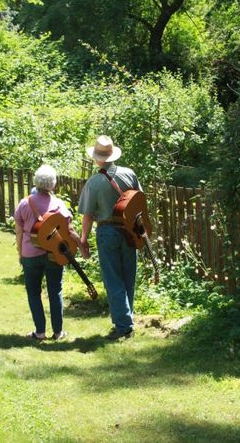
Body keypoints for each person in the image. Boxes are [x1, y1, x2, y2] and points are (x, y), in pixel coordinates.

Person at [78, 135, 142, 340]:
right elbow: (140, 202)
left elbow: (88, 215)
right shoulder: (129, 174)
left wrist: (83, 238)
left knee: (113, 278)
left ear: (98, 158)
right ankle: (126, 320)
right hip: (130, 230)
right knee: (128, 276)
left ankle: (123, 326)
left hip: (107, 232)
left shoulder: (94, 183)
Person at [14, 164, 87, 341]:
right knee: (55, 291)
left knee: (33, 292)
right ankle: (58, 332)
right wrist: (81, 245)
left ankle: (39, 332)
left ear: (35, 182)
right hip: (54, 254)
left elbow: (18, 231)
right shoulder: (59, 204)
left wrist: (20, 251)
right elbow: (69, 230)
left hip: (30, 254)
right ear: (53, 184)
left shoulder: (25, 203)